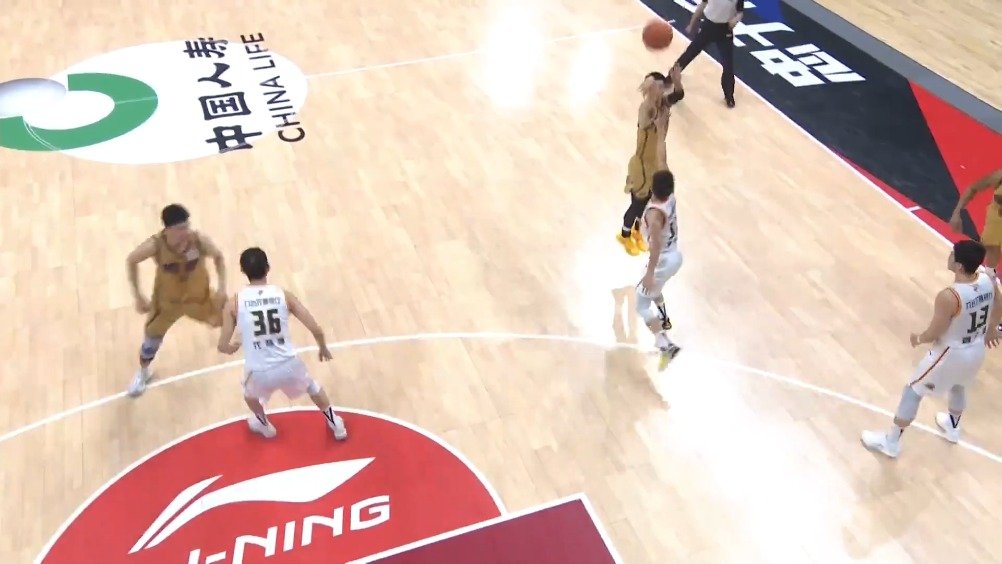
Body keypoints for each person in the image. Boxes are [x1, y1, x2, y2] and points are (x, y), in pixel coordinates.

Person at [861, 240, 1001, 458]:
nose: (949, 256)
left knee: (913, 391)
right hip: (976, 349)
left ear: (959, 266)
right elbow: (999, 302)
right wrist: (991, 327)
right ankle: (953, 427)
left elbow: (935, 332)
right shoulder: (987, 279)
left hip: (950, 353)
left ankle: (891, 442)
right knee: (959, 386)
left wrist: (918, 338)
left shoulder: (950, 296)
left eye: (952, 254)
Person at [217, 247, 347, 440]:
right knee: (312, 386)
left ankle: (264, 425)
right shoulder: (284, 296)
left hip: (258, 371)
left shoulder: (234, 303)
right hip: (288, 364)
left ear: (243, 271)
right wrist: (322, 347)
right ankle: (335, 423)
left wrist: (235, 344)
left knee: (249, 395)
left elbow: (222, 346)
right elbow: (316, 328)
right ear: (268, 267)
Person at [126, 204, 227, 397]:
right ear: (168, 230)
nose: (186, 231)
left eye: (187, 226)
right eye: (181, 228)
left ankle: (247, 334)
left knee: (225, 317)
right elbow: (131, 260)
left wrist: (222, 287)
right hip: (168, 302)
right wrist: (137, 295)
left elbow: (219, 257)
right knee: (151, 339)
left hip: (198, 297)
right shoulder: (156, 245)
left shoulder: (198, 241)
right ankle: (143, 373)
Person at [618, 65, 684, 256]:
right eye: (655, 87)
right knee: (636, 204)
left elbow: (678, 95)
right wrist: (650, 92)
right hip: (641, 165)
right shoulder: (646, 108)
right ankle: (624, 234)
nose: (659, 90)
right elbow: (646, 119)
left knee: (647, 204)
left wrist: (677, 82)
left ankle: (637, 232)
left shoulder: (663, 103)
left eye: (661, 87)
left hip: (654, 165)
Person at [636, 169, 683, 368]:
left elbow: (655, 246)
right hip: (674, 255)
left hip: (662, 260)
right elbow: (663, 167)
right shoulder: (670, 198)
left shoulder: (654, 215)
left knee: (640, 305)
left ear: (652, 187)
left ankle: (665, 345)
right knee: (654, 292)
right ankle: (664, 320)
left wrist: (649, 273)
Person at [674, 0, 744, 108]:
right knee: (691, 52)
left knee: (728, 65)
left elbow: (740, 12)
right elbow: (702, 5)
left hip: (725, 29)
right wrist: (692, 23)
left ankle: (729, 96)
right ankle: (672, 75)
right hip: (709, 26)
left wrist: (735, 20)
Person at [948, 168, 1002, 279]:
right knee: (991, 249)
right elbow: (973, 188)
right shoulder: (999, 176)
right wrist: (957, 212)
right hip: (997, 220)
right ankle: (989, 276)